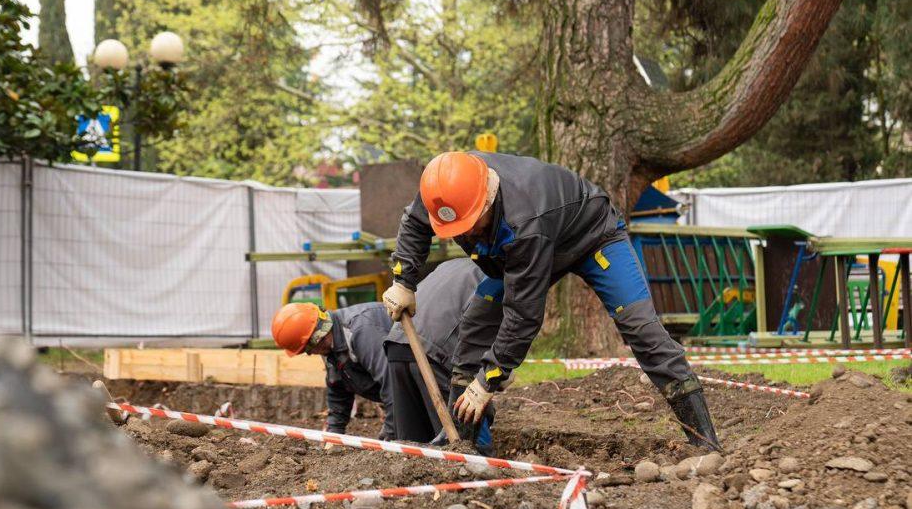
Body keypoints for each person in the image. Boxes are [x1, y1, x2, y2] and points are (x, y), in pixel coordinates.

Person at [381, 151, 720, 451]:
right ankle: (461, 441)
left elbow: (523, 314)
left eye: (471, 226)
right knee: (475, 327)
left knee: (641, 329)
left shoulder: (525, 220)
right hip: (522, 248)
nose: (465, 236)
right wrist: (403, 280)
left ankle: (703, 441)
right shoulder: (448, 184)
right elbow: (415, 222)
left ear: (486, 198)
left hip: (593, 237)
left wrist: (490, 380)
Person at [384, 257, 503, 450]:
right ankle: (478, 474)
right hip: (438, 353)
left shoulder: (450, 264)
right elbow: (483, 330)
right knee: (465, 435)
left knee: (413, 445)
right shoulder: (498, 276)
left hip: (399, 341)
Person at [270, 301, 395, 439]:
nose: (310, 354)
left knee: (407, 440)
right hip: (404, 394)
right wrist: (334, 433)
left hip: (416, 386)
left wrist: (391, 430)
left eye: (307, 350)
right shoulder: (331, 348)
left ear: (316, 339)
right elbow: (338, 390)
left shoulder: (360, 332)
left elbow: (394, 384)